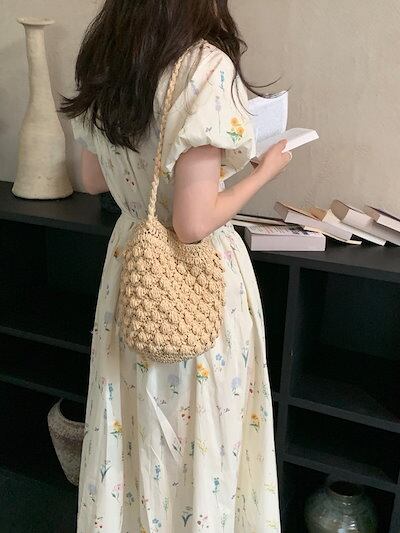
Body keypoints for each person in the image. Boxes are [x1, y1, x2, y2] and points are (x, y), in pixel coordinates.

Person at [61, 1, 292, 531]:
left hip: (132, 270)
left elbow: (93, 181)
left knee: (131, 430)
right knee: (199, 436)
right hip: (193, 278)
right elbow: (192, 223)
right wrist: (263, 172)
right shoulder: (206, 66)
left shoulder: (104, 56)